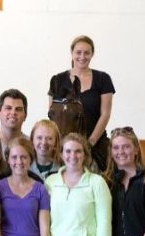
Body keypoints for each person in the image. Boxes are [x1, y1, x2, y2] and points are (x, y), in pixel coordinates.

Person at [48, 35, 115, 171]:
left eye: (87, 53)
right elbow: (52, 114)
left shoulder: (103, 79)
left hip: (94, 142)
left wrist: (89, 143)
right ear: (72, 53)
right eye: (78, 52)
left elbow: (105, 114)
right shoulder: (58, 80)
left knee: (108, 174)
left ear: (92, 54)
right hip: (63, 145)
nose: (82, 56)